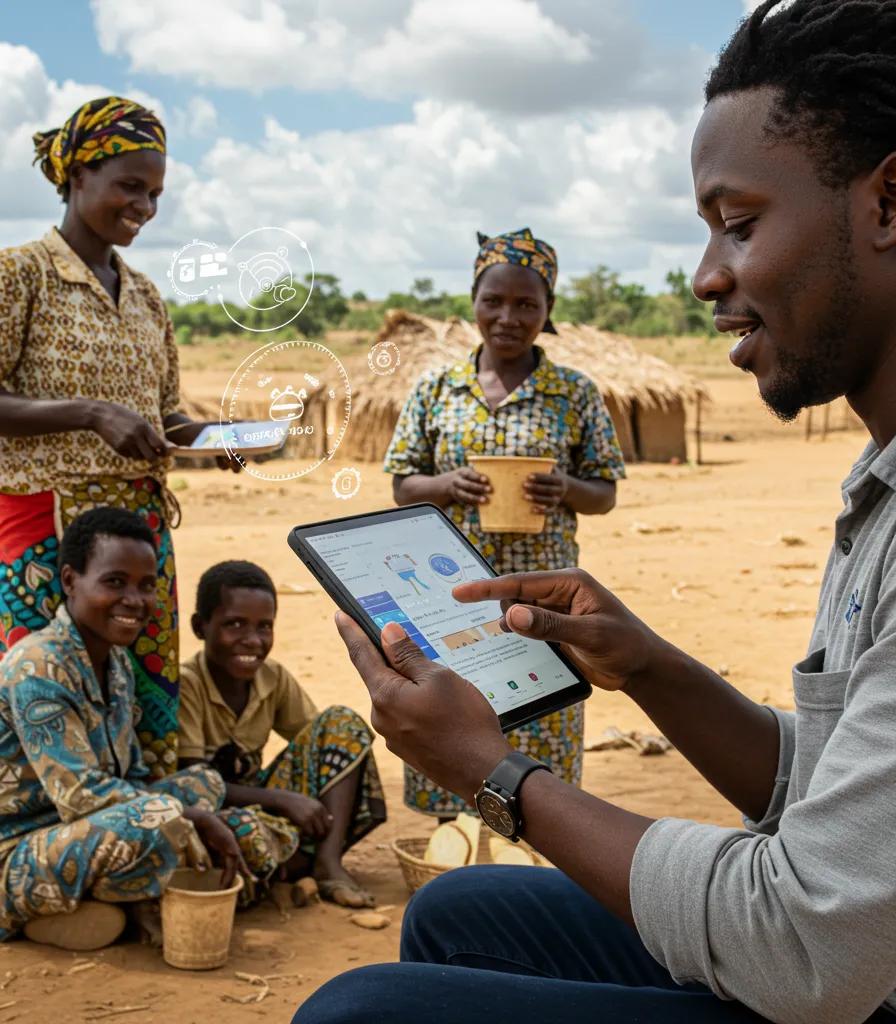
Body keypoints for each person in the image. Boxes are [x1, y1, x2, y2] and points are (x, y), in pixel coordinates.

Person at [296, 2, 896, 1022]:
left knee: (356, 1014)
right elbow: (847, 788)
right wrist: (650, 666)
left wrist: (492, 772)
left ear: (891, 199)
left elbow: (807, 946)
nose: (703, 277)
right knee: (462, 908)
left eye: (737, 224)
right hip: (877, 953)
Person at [0, 96, 237, 781]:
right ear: (77, 177)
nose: (145, 207)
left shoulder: (145, 296)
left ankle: (146, 844)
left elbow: (164, 419)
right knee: (47, 698)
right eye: (130, 186)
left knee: (143, 697)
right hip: (47, 532)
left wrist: (216, 437)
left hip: (141, 538)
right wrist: (89, 413)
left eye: (156, 193)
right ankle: (46, 854)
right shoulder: (23, 274)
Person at [383, 227, 626, 818]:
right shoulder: (437, 389)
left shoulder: (574, 393)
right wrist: (444, 486)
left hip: (544, 600)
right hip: (451, 598)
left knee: (541, 724)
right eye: (494, 300)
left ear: (548, 310)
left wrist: (566, 488)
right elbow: (401, 484)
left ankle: (536, 861)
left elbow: (605, 493)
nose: (508, 316)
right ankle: (453, 867)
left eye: (527, 303)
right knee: (453, 720)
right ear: (473, 300)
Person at [0, 508, 246, 952]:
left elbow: (129, 778)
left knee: (204, 783)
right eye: (115, 582)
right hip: (15, 851)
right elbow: (79, 795)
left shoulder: (115, 665)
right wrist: (187, 819)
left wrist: (189, 810)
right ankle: (59, 907)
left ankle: (99, 905)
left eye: (146, 585)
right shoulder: (37, 667)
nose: (135, 600)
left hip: (80, 832)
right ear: (71, 580)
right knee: (164, 820)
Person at [177, 561, 387, 908]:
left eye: (264, 627)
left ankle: (326, 863)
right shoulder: (187, 685)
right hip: (213, 812)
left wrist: (298, 800)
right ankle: (283, 866)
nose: (252, 640)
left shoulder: (272, 677)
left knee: (343, 723)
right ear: (201, 627)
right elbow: (193, 785)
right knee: (241, 835)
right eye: (234, 625)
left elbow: (324, 739)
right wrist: (282, 800)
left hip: (258, 803)